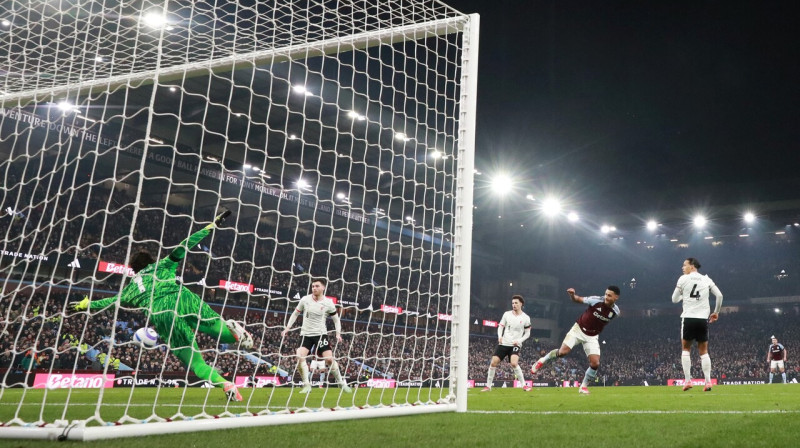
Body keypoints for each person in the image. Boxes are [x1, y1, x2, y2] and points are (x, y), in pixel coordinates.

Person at [70, 208, 254, 401]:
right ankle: (234, 333)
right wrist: (210, 227)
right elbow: (184, 246)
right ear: (151, 261)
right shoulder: (161, 265)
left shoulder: (130, 290)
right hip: (182, 298)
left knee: (196, 363)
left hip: (162, 313)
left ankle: (226, 384)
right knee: (217, 328)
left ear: (133, 270)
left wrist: (87, 304)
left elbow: (110, 302)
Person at [530, 286, 621, 395]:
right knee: (563, 352)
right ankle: (543, 360)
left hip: (592, 336)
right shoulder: (596, 300)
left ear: (616, 297)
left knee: (595, 363)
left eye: (609, 295)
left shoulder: (616, 312)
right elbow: (578, 299)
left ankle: (583, 387)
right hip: (578, 330)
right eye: (606, 294)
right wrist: (572, 295)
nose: (606, 297)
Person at [281, 278, 352, 394]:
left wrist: (338, 333)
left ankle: (340, 383)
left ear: (323, 288)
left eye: (317, 286)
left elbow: (336, 320)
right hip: (306, 334)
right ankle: (306, 385)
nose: (314, 288)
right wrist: (287, 328)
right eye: (313, 286)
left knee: (329, 359)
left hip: (320, 335)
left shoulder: (328, 303)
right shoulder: (305, 300)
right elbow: (295, 313)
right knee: (299, 356)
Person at [671, 257, 723, 392]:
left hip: (688, 318)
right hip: (702, 320)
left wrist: (684, 296)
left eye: (684, 265)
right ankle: (708, 382)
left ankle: (688, 381)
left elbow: (674, 299)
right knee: (704, 352)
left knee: (686, 350)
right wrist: (716, 312)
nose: (682, 268)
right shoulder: (706, 279)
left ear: (692, 266)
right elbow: (719, 296)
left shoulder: (683, 279)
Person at [481, 295, 532, 392]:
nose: (514, 305)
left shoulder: (526, 318)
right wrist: (499, 336)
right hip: (504, 343)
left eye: (516, 303)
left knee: (514, 363)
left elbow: (528, 333)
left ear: (521, 304)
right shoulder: (507, 314)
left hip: (515, 344)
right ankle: (488, 386)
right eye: (513, 303)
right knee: (493, 362)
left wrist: (519, 341)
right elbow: (500, 326)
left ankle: (524, 385)